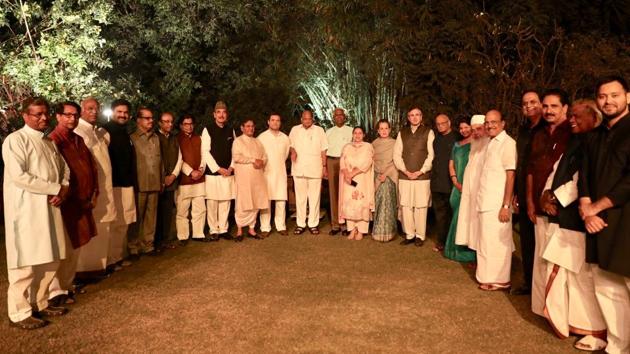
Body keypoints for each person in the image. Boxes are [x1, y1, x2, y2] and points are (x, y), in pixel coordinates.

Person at [539, 99, 607, 351]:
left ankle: (595, 330)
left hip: (580, 220)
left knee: (583, 279)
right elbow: (556, 171)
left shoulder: (595, 142)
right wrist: (545, 195)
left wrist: (555, 197)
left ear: (594, 117)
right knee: (566, 274)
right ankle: (572, 323)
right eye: (572, 115)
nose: (572, 119)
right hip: (564, 219)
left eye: (578, 115)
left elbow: (582, 179)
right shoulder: (576, 141)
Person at [3, 98, 70, 329]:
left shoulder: (49, 142)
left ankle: (39, 302)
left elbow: (64, 169)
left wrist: (63, 187)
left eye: (45, 114)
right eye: (37, 114)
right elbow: (19, 176)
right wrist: (55, 188)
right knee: (25, 263)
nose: (43, 118)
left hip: (51, 208)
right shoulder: (15, 140)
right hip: (26, 211)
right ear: (25, 116)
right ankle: (19, 312)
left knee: (51, 259)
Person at [579, 76, 630, 354]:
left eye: (614, 95)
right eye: (602, 96)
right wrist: (586, 210)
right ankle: (617, 346)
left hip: (625, 221)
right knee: (606, 287)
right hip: (596, 223)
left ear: (627, 97)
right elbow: (584, 175)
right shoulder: (594, 136)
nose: (608, 101)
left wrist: (595, 208)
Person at [48, 101, 98, 306]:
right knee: (62, 248)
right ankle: (54, 291)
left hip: (82, 201)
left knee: (75, 246)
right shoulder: (53, 140)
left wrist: (94, 192)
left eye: (75, 115)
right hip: (65, 202)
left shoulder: (77, 139)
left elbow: (91, 168)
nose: (72, 119)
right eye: (67, 115)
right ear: (58, 117)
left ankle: (67, 286)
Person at [528, 89, 572, 316]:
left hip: (560, 209)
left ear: (565, 108)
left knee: (556, 263)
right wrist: (530, 202)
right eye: (545, 106)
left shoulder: (572, 134)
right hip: (538, 207)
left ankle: (556, 313)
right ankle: (539, 307)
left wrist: (553, 198)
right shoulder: (539, 134)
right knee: (539, 259)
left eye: (554, 106)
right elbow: (531, 171)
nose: (548, 110)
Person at [74, 98, 117, 275]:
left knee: (104, 228)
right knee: (92, 228)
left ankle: (100, 265)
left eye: (96, 109)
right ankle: (86, 269)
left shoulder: (98, 132)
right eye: (90, 108)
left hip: (105, 187)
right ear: (82, 110)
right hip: (91, 190)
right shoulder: (78, 132)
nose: (94, 112)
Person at [476, 110, 517, 291]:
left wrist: (505, 206)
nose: (490, 125)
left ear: (503, 123)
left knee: (499, 243)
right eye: (487, 122)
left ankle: (501, 279)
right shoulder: (490, 143)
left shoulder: (508, 143)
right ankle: (487, 276)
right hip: (485, 201)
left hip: (498, 203)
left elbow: (511, 176)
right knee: (486, 242)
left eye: (494, 122)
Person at [512, 90, 545, 295]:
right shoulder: (524, 130)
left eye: (533, 102)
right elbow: (521, 163)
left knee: (541, 242)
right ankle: (529, 280)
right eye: (525, 103)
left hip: (541, 194)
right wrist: (517, 192)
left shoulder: (548, 128)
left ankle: (541, 286)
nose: (529, 106)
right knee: (526, 241)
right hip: (523, 192)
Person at [393, 107, 435, 247]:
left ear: (421, 117)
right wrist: (405, 170)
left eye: (417, 115)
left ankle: (420, 236)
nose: (415, 117)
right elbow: (397, 154)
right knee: (406, 205)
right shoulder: (402, 133)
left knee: (420, 206)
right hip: (405, 176)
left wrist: (421, 171)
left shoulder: (429, 132)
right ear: (408, 118)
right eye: (412, 115)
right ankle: (409, 234)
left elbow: (431, 155)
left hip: (422, 177)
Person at [103, 99, 136, 267]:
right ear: (113, 112)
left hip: (127, 183)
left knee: (124, 223)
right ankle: (109, 260)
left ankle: (118, 257)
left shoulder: (125, 133)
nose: (122, 115)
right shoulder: (105, 132)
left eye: (125, 112)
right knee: (113, 224)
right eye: (119, 112)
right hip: (114, 184)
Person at [128, 107, 163, 258]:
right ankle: (133, 246)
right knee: (137, 217)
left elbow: (160, 160)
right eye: (147, 118)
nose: (151, 121)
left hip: (154, 183)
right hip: (140, 184)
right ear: (139, 120)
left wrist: (161, 180)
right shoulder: (132, 138)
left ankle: (148, 244)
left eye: (151, 118)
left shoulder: (155, 138)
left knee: (151, 217)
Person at [289, 109, 328, 235]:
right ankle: (300, 224)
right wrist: (292, 151)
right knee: (300, 198)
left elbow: (323, 150)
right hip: (299, 168)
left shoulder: (319, 130)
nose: (307, 121)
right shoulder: (295, 130)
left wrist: (324, 166)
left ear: (313, 119)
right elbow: (290, 145)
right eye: (304, 119)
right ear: (301, 119)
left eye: (309, 119)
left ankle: (313, 224)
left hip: (315, 168)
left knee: (314, 198)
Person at [201, 101, 236, 240]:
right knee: (212, 202)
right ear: (214, 114)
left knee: (225, 201)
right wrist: (218, 169)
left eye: (224, 112)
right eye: (219, 112)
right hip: (213, 173)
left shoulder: (230, 130)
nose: (221, 115)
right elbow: (205, 152)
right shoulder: (207, 129)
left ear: (226, 114)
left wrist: (231, 167)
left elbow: (235, 151)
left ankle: (223, 229)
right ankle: (213, 229)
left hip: (228, 172)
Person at [454, 115, 489, 252]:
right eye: (473, 130)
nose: (476, 133)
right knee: (469, 222)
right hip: (469, 190)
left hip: (482, 192)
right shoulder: (475, 143)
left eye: (478, 129)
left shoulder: (489, 144)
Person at [443, 117, 476, 263]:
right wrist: (455, 181)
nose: (464, 130)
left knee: (466, 217)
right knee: (456, 213)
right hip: (457, 187)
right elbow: (451, 164)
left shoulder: (477, 143)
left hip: (471, 187)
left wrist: (467, 186)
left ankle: (466, 250)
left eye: (466, 127)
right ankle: (452, 249)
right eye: (461, 128)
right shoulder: (456, 145)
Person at [232, 119, 269, 241]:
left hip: (257, 177)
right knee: (243, 202)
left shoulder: (257, 141)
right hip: (243, 178)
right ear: (242, 128)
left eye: (252, 126)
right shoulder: (238, 141)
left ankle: (252, 229)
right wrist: (253, 160)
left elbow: (264, 156)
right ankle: (239, 230)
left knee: (255, 202)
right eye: (248, 126)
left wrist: (261, 162)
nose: (251, 128)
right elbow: (237, 157)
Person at [175, 114, 207, 244]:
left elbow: (204, 155)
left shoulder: (199, 138)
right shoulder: (176, 139)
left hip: (199, 178)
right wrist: (190, 172)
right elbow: (178, 160)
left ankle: (198, 233)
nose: (189, 126)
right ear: (181, 125)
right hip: (184, 180)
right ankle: (183, 236)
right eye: (186, 124)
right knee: (182, 210)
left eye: (191, 123)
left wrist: (200, 169)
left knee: (199, 208)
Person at [339, 126, 374, 240]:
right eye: (355, 133)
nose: (357, 135)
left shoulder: (368, 146)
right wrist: (346, 174)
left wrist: (353, 173)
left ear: (363, 135)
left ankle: (361, 230)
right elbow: (342, 161)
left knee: (361, 202)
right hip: (348, 180)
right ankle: (352, 229)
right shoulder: (346, 147)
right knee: (349, 203)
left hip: (362, 178)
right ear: (352, 134)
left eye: (360, 133)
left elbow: (367, 162)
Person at [258, 113, 291, 237]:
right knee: (265, 201)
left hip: (280, 171)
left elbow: (286, 155)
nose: (275, 122)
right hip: (266, 173)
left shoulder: (285, 138)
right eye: (273, 120)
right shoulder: (262, 137)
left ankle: (281, 226)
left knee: (281, 199)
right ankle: (265, 227)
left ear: (280, 122)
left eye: (278, 120)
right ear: (268, 122)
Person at [155, 112, 182, 250]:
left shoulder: (174, 138)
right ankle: (156, 241)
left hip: (171, 180)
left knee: (167, 213)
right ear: (160, 123)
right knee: (157, 213)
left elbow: (179, 157)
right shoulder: (155, 137)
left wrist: (173, 175)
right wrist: (163, 177)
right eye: (166, 121)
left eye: (171, 121)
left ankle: (165, 239)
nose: (169, 124)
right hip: (159, 181)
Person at [430, 114, 457, 252]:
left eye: (443, 123)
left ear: (449, 122)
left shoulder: (457, 138)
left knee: (451, 214)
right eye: (438, 124)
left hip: (451, 183)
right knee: (439, 215)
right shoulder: (436, 139)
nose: (440, 126)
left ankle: (452, 243)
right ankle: (441, 241)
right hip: (437, 183)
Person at [326, 108, 353, 235]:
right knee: (333, 193)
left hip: (347, 163)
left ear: (344, 117)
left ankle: (346, 224)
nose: (338, 117)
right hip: (332, 161)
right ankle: (335, 224)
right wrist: (324, 167)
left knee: (346, 193)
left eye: (341, 115)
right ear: (333, 117)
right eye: (336, 115)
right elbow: (324, 150)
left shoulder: (351, 130)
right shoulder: (328, 132)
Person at [371, 119, 398, 242]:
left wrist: (386, 174)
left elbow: (396, 161)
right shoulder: (374, 144)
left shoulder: (395, 143)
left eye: (386, 128)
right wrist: (378, 175)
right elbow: (372, 161)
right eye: (381, 128)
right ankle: (378, 230)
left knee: (386, 192)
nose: (384, 131)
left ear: (390, 130)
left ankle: (388, 231)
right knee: (378, 200)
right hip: (376, 175)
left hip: (391, 175)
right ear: (378, 130)